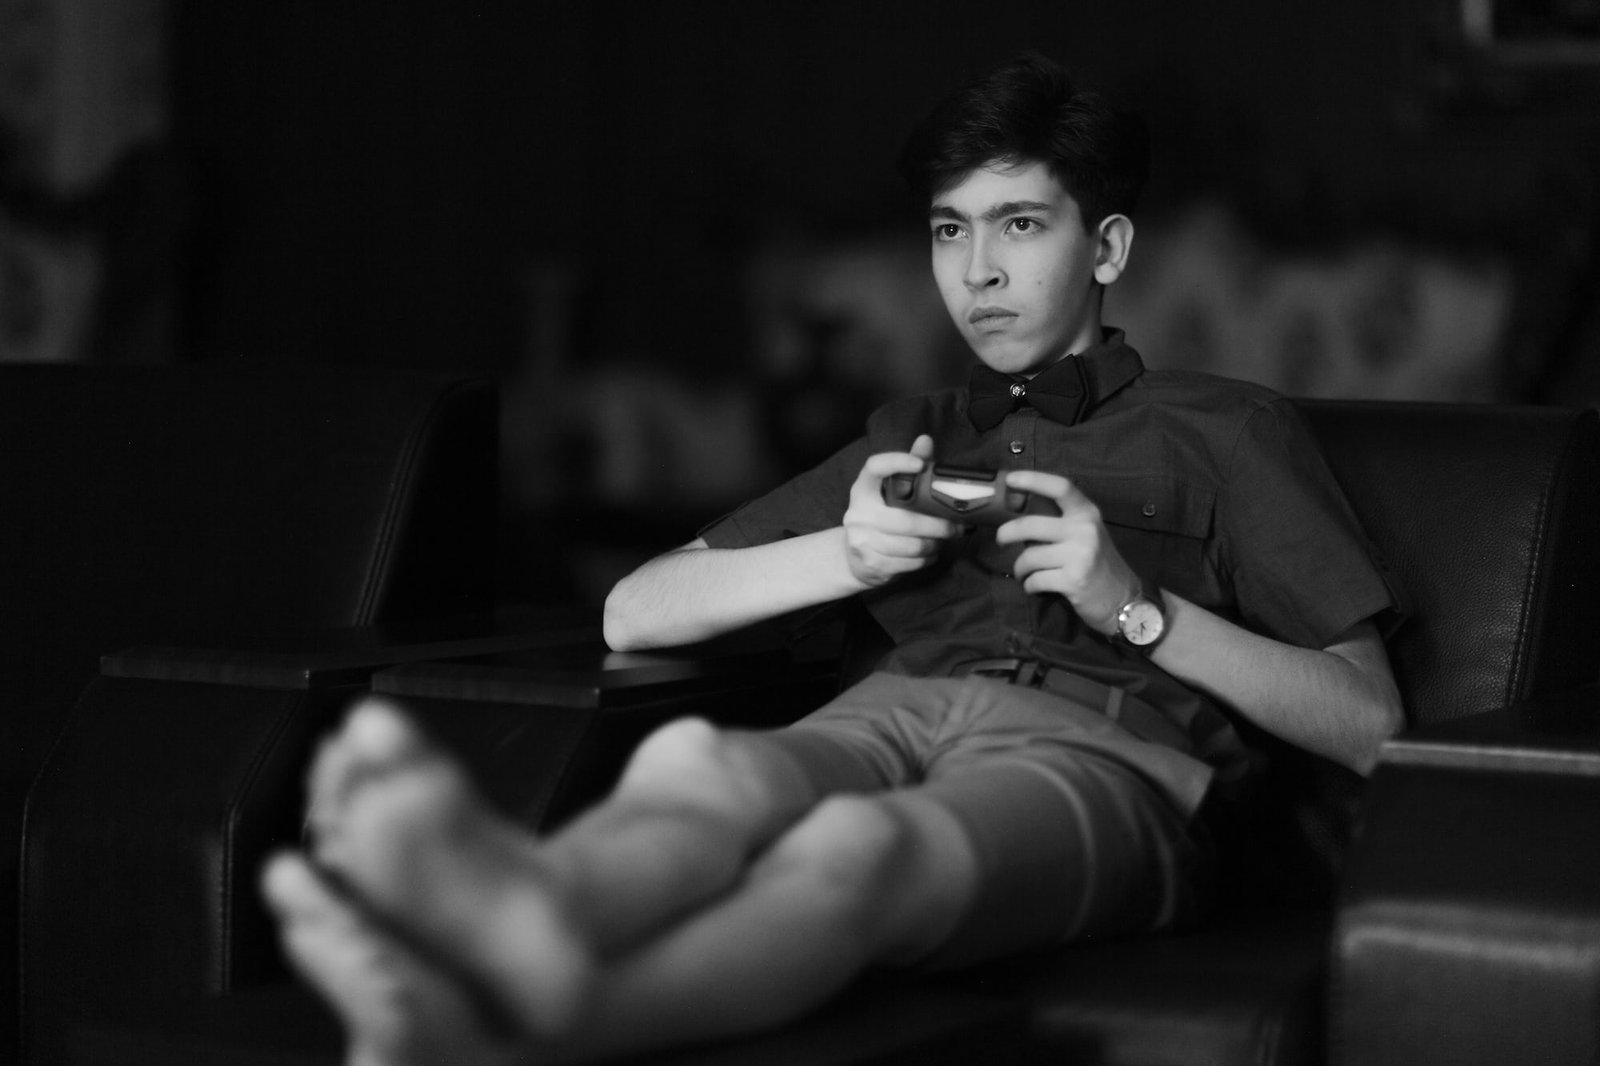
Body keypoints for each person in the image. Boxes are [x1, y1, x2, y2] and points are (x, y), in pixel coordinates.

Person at [263, 52, 1404, 1066]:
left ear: (1105, 246)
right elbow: (634, 612)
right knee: (698, 766)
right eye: (950, 230)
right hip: (891, 714)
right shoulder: (910, 434)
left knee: (857, 849)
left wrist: (1137, 608)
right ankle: (512, 925)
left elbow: (1372, 724)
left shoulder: (1228, 431)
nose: (977, 271)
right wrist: (850, 554)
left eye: (1018, 224)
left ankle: (505, 1026)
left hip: (1111, 756)